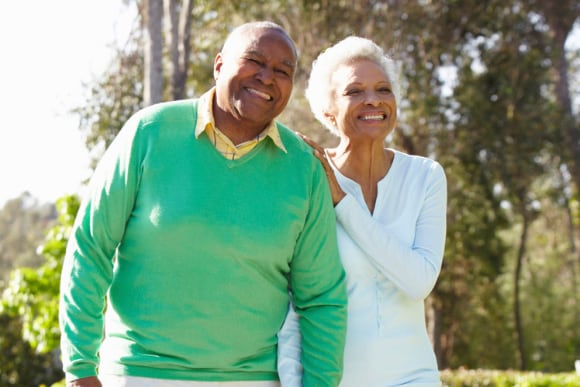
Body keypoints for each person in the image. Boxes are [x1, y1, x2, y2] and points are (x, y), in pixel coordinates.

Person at [59, 21, 348, 387]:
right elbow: (90, 249)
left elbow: (321, 297)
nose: (266, 77)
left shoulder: (303, 166)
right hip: (139, 374)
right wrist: (80, 368)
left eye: (282, 71)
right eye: (254, 60)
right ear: (218, 65)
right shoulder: (149, 132)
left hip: (252, 379)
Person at [277, 36, 447, 386]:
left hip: (414, 378)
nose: (373, 100)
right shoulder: (308, 178)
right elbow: (294, 307)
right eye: (354, 92)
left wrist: (342, 201)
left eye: (383, 89)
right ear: (327, 111)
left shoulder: (425, 176)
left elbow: (418, 281)